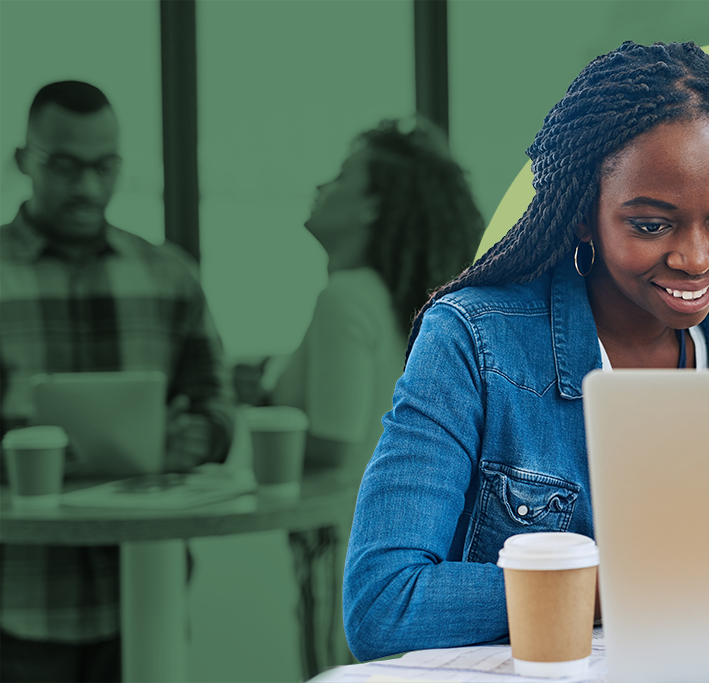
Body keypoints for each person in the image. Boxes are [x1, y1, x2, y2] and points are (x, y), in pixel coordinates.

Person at [342, 40, 709, 660]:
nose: (696, 258)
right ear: (585, 215)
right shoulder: (474, 342)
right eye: (651, 224)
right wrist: (634, 584)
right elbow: (383, 605)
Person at [0, 81, 234, 681]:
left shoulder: (169, 274)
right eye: (64, 166)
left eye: (103, 167)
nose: (86, 187)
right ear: (23, 160)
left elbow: (216, 406)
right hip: (18, 597)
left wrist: (196, 438)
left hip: (147, 591)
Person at [239, 116, 484, 677]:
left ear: (373, 206)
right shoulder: (413, 305)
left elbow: (333, 442)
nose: (323, 187)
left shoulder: (345, 296)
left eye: (343, 176)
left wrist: (260, 429)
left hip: (345, 542)